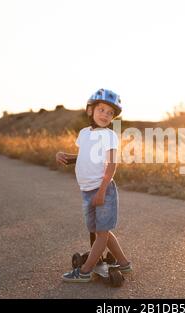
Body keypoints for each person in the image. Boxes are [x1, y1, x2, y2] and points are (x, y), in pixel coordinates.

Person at [56, 88, 132, 283]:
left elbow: (112, 165)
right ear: (90, 110)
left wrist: (102, 190)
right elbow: (83, 156)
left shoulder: (109, 136)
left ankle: (85, 271)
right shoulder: (83, 133)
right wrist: (66, 156)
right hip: (87, 190)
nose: (106, 115)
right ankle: (123, 263)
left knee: (101, 233)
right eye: (101, 110)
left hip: (103, 190)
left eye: (110, 113)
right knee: (101, 231)